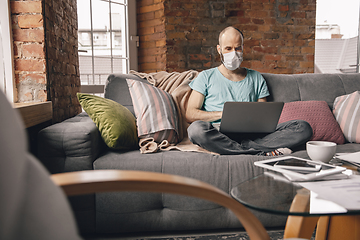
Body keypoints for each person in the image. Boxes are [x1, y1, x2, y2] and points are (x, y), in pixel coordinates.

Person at [185, 26, 313, 155]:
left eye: (237, 48)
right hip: (218, 134)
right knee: (196, 130)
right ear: (219, 50)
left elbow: (263, 116)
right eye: (228, 49)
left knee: (302, 127)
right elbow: (190, 114)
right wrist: (223, 115)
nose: (233, 53)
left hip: (252, 135)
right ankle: (257, 151)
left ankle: (244, 149)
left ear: (242, 49)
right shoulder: (205, 77)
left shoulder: (256, 77)